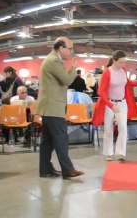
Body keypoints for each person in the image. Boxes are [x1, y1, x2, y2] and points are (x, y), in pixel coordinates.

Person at [36, 36, 84, 179]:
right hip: (53, 106)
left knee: (48, 141)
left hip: (49, 106)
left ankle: (45, 170)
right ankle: (68, 169)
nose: (71, 52)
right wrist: (74, 68)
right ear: (61, 48)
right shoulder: (54, 61)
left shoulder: (52, 59)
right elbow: (68, 80)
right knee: (61, 138)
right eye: (69, 49)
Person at [92, 50, 137, 161]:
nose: (123, 65)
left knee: (123, 127)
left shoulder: (123, 70)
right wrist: (110, 105)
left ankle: (120, 153)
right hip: (109, 103)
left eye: (124, 62)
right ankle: (108, 153)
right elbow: (101, 92)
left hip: (122, 103)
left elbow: (126, 82)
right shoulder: (107, 72)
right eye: (121, 62)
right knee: (108, 129)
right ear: (114, 61)